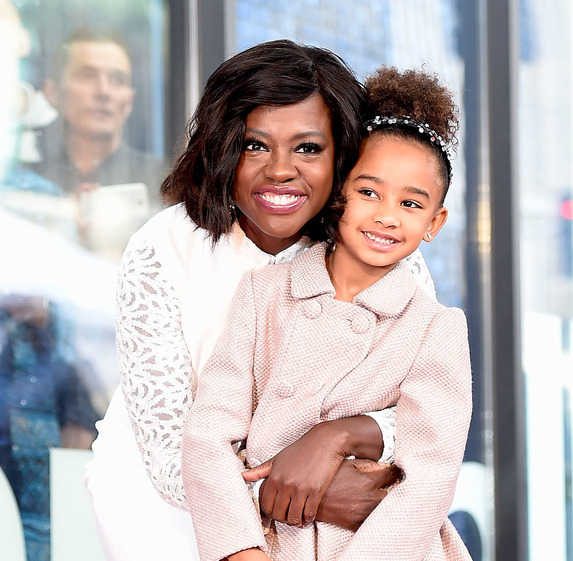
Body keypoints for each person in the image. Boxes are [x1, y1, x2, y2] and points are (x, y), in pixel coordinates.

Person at [85, 40, 436, 560]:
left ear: (344, 155)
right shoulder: (164, 247)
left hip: (325, 539)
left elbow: (423, 412)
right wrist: (312, 494)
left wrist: (339, 437)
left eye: (308, 148)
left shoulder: (385, 252)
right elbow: (168, 453)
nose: (279, 170)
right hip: (167, 517)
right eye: (255, 145)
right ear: (223, 146)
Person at [181, 66, 472, 561]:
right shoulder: (265, 294)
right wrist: (240, 550)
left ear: (434, 223)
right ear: (340, 192)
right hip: (271, 544)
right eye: (369, 192)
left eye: (410, 202)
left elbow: (428, 479)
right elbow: (208, 433)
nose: (386, 215)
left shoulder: (435, 329)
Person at [0, 294, 100, 561]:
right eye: (8, 319)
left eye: (28, 322)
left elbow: (81, 433)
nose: (17, 329)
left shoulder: (64, 371)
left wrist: (60, 491)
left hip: (45, 504)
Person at [21, 26, 166, 246]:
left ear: (129, 100)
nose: (103, 92)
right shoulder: (27, 181)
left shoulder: (164, 182)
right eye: (87, 76)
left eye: (117, 80)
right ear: (52, 93)